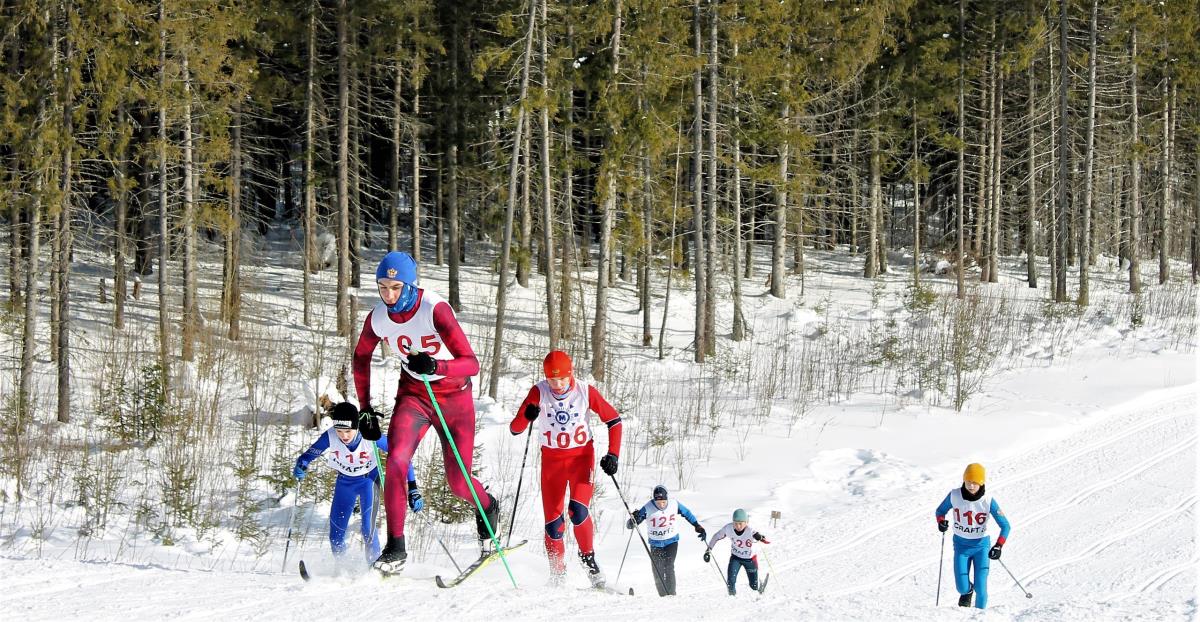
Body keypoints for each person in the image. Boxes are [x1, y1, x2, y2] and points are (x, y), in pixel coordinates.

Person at [352, 251, 499, 574]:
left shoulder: (435, 309)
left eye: (394, 287)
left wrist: (437, 365)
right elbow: (361, 357)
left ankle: (488, 507)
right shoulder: (378, 317)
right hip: (415, 395)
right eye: (382, 287)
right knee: (396, 459)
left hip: (454, 398)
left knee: (458, 482)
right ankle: (396, 547)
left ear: (409, 285)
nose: (388, 295)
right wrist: (364, 408)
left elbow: (471, 363)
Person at [509, 350, 623, 587]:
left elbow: (614, 420)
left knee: (578, 511)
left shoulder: (584, 391)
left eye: (562, 379)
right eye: (552, 379)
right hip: (552, 464)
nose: (557, 385)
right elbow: (515, 429)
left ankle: (589, 561)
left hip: (581, 459)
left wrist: (613, 454)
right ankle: (557, 574)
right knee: (554, 525)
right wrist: (527, 416)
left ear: (571, 374)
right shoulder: (538, 391)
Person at [292, 401, 424, 562]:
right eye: (339, 431)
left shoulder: (370, 435)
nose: (344, 436)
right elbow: (307, 456)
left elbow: (402, 455)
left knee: (368, 528)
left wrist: (413, 488)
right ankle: (342, 568)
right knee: (336, 534)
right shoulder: (330, 436)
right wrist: (301, 465)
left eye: (348, 431)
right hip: (344, 484)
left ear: (356, 427)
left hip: (368, 481)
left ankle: (374, 568)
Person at [934, 463, 1012, 609]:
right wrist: (941, 522)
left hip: (981, 547)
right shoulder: (954, 495)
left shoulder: (988, 500)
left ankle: (980, 616)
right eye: (968, 481)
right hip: (961, 547)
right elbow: (940, 511)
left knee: (981, 588)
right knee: (961, 588)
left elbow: (1006, 526)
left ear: (981, 483)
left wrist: (998, 546)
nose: (971, 485)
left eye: (975, 482)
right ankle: (967, 592)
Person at [627, 485, 705, 596]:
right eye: (658, 503)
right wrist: (632, 521)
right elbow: (631, 525)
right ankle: (663, 596)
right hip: (656, 544)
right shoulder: (648, 507)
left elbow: (687, 513)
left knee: (669, 566)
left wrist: (697, 525)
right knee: (657, 571)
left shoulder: (674, 504)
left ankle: (672, 594)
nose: (661, 505)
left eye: (663, 502)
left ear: (667, 498)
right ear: (654, 500)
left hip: (671, 542)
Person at [705, 508, 768, 595]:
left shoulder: (750, 530)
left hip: (749, 559)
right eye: (735, 523)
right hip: (736, 558)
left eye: (740, 524)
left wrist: (761, 537)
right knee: (731, 581)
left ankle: (759, 587)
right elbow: (716, 536)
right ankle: (732, 597)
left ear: (746, 522)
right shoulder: (728, 528)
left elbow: (761, 538)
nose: (738, 526)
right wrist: (708, 550)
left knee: (753, 586)